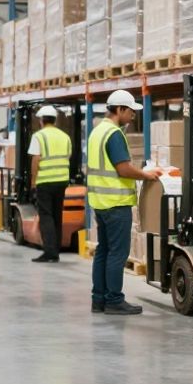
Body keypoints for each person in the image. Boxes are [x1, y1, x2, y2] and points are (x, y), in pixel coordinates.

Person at [86, 90, 159, 315]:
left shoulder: (97, 131)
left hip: (100, 201)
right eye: (130, 111)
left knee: (103, 251)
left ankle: (99, 299)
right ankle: (114, 300)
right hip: (116, 203)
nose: (133, 116)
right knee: (117, 253)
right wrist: (146, 175)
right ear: (119, 110)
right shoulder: (114, 134)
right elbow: (123, 168)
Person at [27, 105, 73, 263]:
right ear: (55, 120)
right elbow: (68, 156)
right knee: (57, 215)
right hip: (61, 181)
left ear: (41, 120)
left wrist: (33, 182)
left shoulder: (39, 136)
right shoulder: (65, 136)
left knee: (46, 216)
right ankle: (56, 250)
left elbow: (36, 159)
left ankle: (49, 251)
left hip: (45, 181)